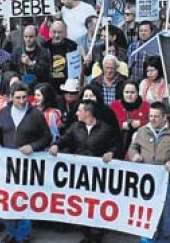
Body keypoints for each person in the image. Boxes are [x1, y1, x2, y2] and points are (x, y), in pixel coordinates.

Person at [0, 83, 52, 243]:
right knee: (9, 199)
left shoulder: (36, 115)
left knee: (24, 199)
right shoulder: (4, 113)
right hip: (7, 165)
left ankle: (23, 234)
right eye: (18, 97)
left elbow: (47, 137)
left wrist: (33, 146)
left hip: (27, 165)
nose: (22, 101)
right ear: (11, 97)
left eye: (24, 97)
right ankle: (11, 231)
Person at [49, 100, 118, 243]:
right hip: (80, 175)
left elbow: (116, 146)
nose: (76, 113)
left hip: (99, 175)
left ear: (87, 113)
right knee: (83, 204)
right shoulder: (75, 127)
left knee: (97, 204)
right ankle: (86, 234)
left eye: (79, 111)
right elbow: (64, 139)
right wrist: (56, 145)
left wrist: (111, 153)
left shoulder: (106, 129)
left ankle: (96, 235)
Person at [128, 102, 170, 243]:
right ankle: (146, 237)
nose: (152, 119)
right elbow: (133, 147)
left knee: (164, 210)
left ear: (165, 117)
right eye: (150, 116)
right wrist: (134, 156)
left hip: (167, 179)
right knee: (145, 209)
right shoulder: (142, 131)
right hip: (146, 179)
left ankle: (164, 237)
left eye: (156, 116)